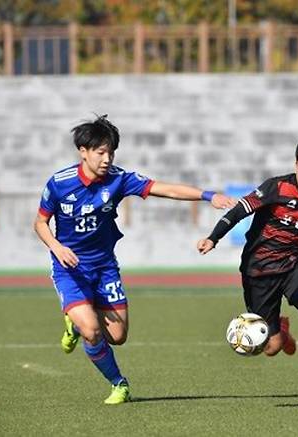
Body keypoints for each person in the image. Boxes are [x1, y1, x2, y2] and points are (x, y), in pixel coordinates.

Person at [34, 115, 235, 404]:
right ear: (84, 152)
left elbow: (163, 189)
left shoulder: (118, 179)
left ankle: (76, 324)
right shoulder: (59, 183)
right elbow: (40, 223)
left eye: (111, 152)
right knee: (93, 331)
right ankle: (119, 383)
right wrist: (56, 246)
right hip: (70, 268)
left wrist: (207, 195)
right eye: (100, 152)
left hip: (104, 268)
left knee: (117, 336)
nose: (106, 158)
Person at [197, 135, 298, 406]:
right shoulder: (276, 187)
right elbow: (240, 210)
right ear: (295, 164)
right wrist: (213, 238)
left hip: (293, 266)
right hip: (259, 271)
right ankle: (281, 329)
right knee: (272, 347)